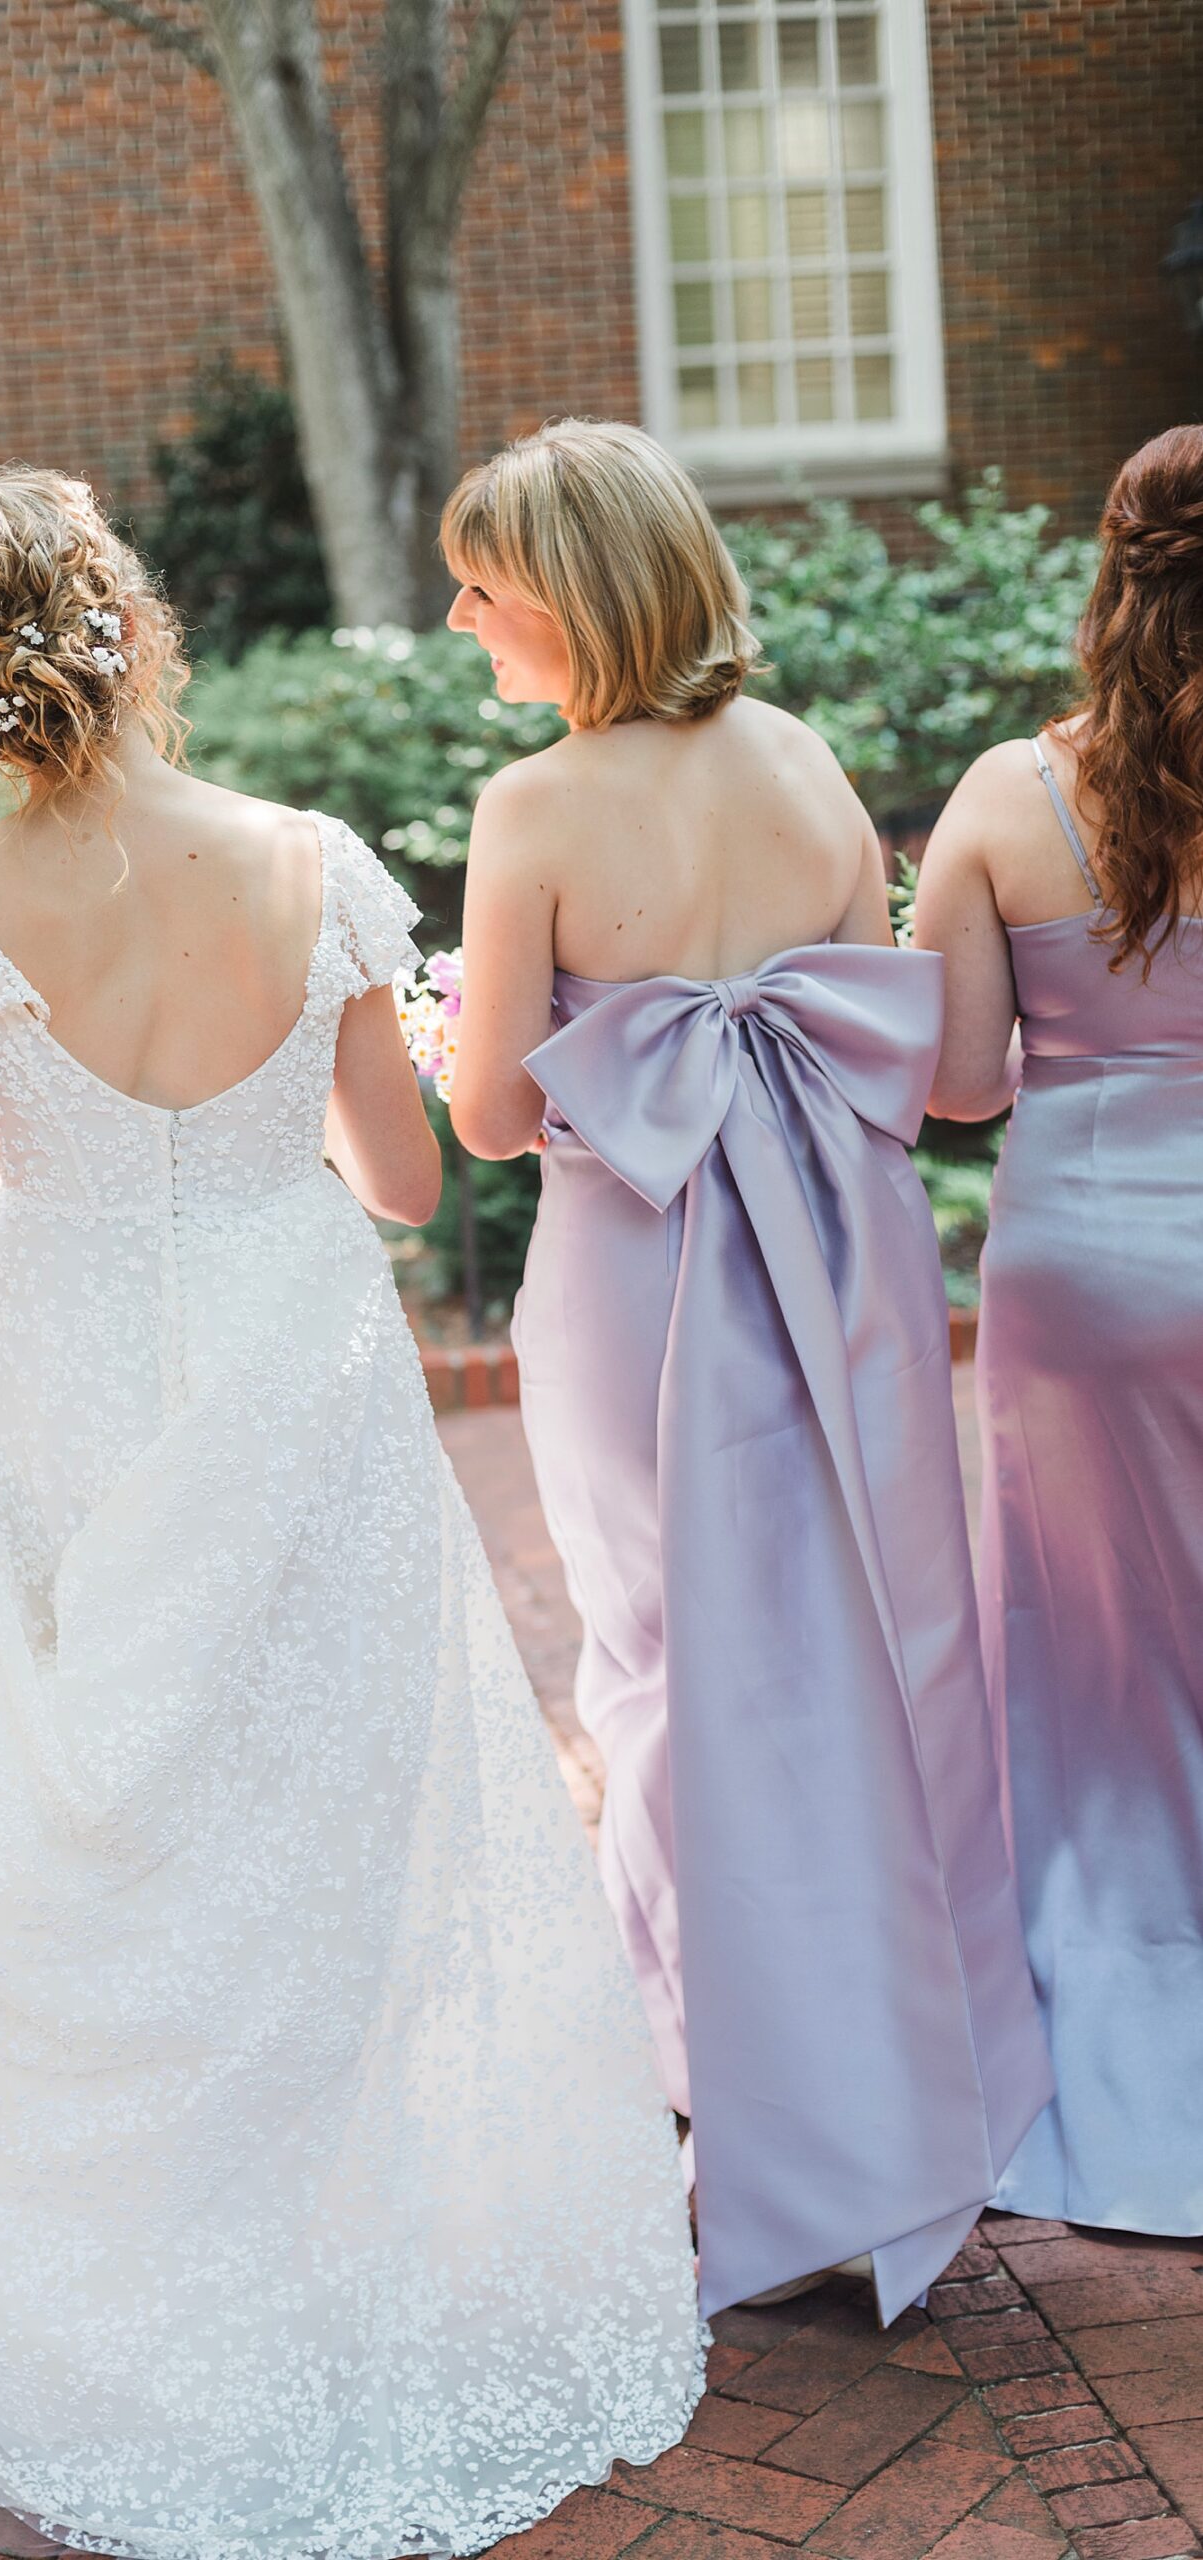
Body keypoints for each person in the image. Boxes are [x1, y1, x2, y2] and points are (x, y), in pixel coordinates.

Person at [0, 467, 703, 2558]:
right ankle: (289, 2253)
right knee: (291, 1813)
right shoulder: (306, 862)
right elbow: (414, 1187)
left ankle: (93, 2278)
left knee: (54, 1832)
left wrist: (14, 1185)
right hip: (287, 1365)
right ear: (130, 628)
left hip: (46, 1366)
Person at [445, 418, 1050, 2322]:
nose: (459, 616)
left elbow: (478, 1118)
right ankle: (890, 2115)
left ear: (573, 596)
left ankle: (723, 2114)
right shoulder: (801, 767)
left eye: (484, 585)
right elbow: (886, 1036)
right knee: (861, 1659)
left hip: (637, 1261)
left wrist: (557, 1052)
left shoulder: (531, 813)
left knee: (656, 1673)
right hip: (834, 1254)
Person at [916, 423, 1203, 2235]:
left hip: (1085, 1273)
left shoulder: (1013, 799)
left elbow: (951, 1087)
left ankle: (1121, 2047)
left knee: (1098, 1658)